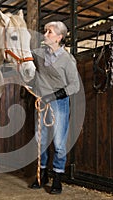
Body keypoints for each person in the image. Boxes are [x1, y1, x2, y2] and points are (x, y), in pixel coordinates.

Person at [29, 21, 80, 194]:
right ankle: (42, 175)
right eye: (45, 31)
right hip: (41, 102)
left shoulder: (67, 59)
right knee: (40, 141)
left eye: (49, 32)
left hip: (59, 103)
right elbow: (23, 58)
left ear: (59, 37)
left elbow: (75, 86)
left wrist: (54, 95)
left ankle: (57, 178)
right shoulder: (38, 54)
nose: (45, 34)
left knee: (58, 143)